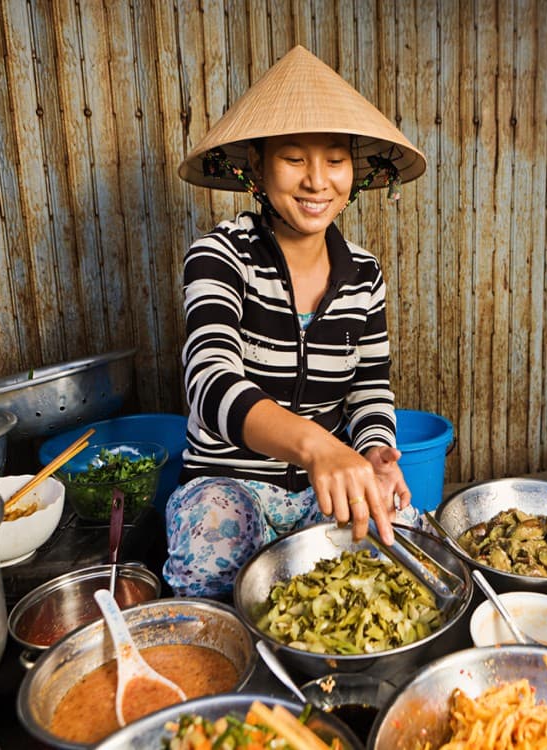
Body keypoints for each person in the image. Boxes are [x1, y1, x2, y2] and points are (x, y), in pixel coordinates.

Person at [166, 46, 427, 598]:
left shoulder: (364, 273)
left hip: (322, 490)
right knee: (217, 561)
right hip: (228, 483)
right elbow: (209, 383)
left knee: (400, 552)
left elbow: (369, 386)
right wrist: (316, 447)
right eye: (292, 158)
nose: (316, 181)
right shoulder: (218, 255)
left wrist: (375, 450)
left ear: (355, 170)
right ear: (257, 168)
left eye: (335, 158)